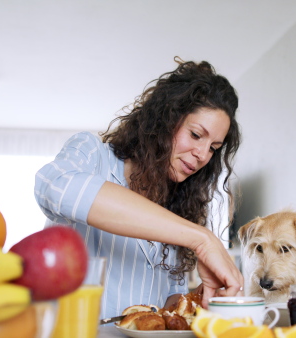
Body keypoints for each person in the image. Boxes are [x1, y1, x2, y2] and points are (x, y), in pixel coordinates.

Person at [34, 58, 244, 319]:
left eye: (213, 148)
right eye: (195, 135)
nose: (202, 154)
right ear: (165, 120)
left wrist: (193, 300)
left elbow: (168, 295)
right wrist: (202, 239)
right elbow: (56, 187)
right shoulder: (93, 154)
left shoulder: (180, 207)